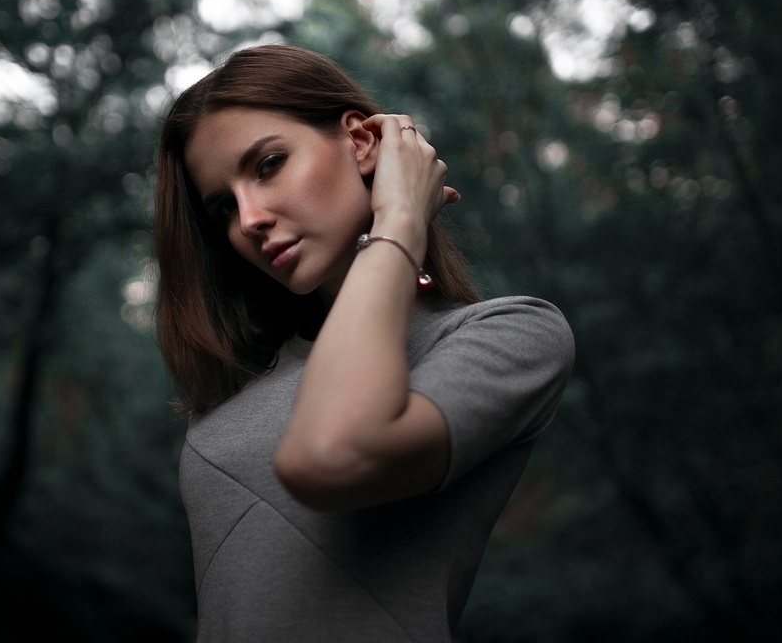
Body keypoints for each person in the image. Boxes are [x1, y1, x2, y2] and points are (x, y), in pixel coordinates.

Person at [154, 44, 573, 642]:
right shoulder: (232, 396)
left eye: (268, 164)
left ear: (361, 142)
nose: (248, 219)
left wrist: (400, 219)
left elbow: (331, 454)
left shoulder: (508, 336)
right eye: (223, 205)